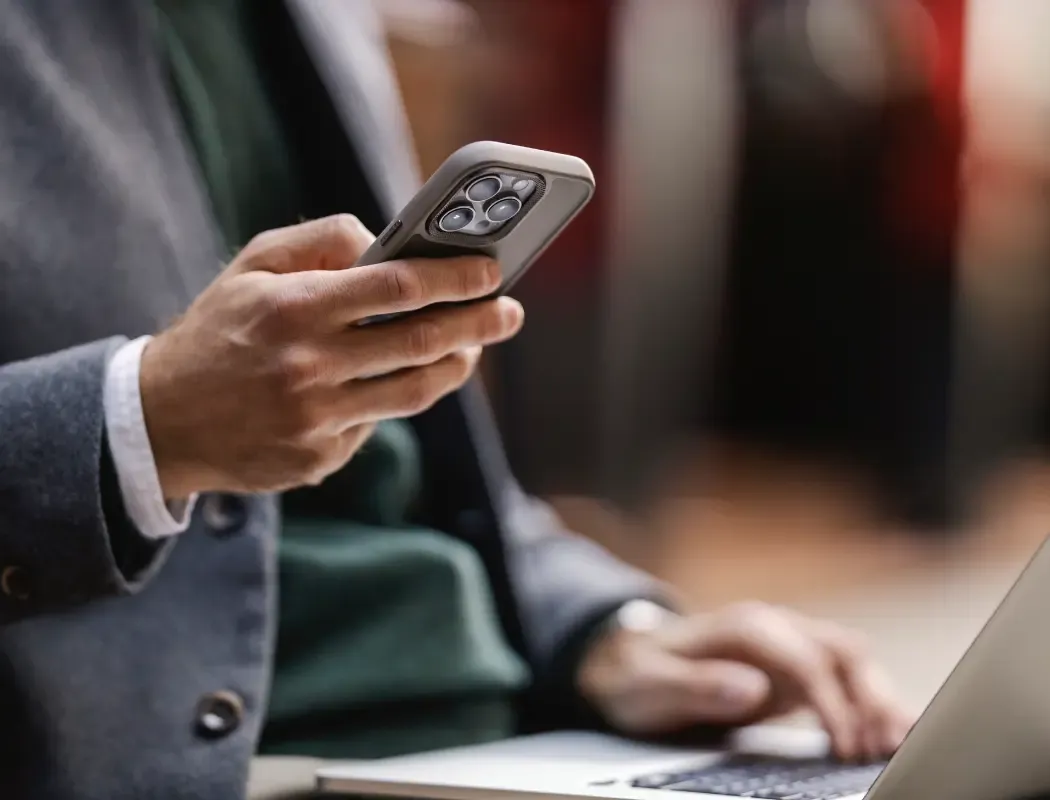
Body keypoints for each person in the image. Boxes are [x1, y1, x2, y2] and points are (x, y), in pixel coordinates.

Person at [0, 1, 911, 798]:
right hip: (227, 752)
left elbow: (421, 469)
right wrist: (144, 425)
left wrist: (602, 631)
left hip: (497, 733)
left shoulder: (320, 16)